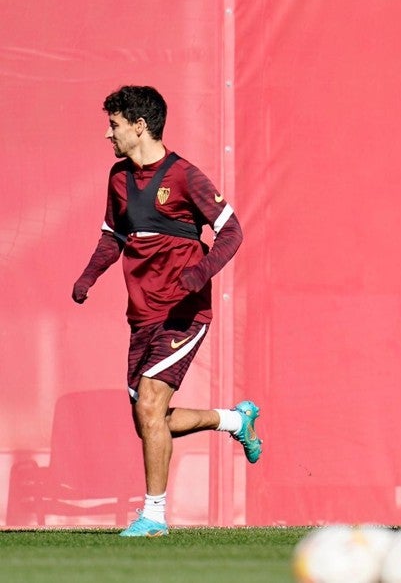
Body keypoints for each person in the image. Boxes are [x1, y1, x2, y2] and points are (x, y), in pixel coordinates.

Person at [72, 85, 262, 537]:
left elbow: (232, 231)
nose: (107, 134)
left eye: (113, 125)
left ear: (139, 126)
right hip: (142, 316)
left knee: (153, 405)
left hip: (184, 313)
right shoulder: (118, 178)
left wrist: (201, 273)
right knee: (149, 422)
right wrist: (87, 277)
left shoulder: (185, 176)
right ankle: (235, 420)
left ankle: (154, 517)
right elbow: (112, 238)